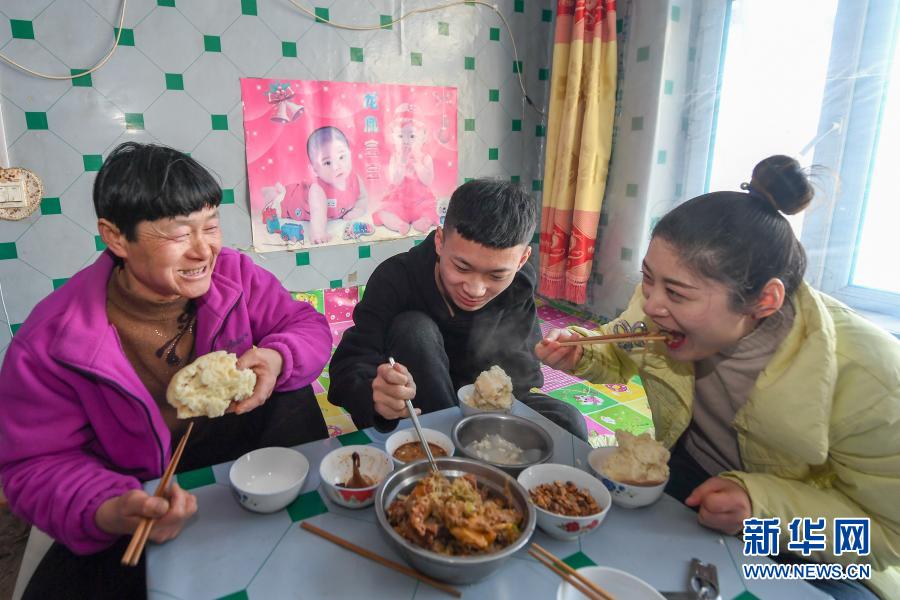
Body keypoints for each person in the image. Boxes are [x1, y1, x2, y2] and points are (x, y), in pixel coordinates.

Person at [537, 155, 900, 599]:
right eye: (648, 279)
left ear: (764, 301)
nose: (651, 304)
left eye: (676, 293)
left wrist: (759, 509)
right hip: (692, 478)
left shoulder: (872, 378)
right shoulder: (661, 305)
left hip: (804, 541)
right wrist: (583, 353)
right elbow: (621, 347)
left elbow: (887, 537)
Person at [0, 142, 332, 599]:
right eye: (178, 234)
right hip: (131, 484)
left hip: (238, 456)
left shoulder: (235, 275)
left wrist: (277, 358)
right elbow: (35, 466)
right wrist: (110, 508)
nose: (204, 250)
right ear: (116, 238)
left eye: (210, 226)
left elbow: (305, 326)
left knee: (292, 389)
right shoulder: (55, 338)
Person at [328, 179, 587, 440]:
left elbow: (520, 379)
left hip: (486, 408)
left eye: (496, 275)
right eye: (462, 268)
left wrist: (548, 355)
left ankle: (470, 444)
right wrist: (375, 394)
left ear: (521, 260)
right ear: (440, 241)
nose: (475, 290)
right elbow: (349, 367)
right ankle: (453, 444)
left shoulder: (518, 284)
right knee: (414, 328)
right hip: (421, 412)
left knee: (567, 421)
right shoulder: (396, 279)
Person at [263, 125, 369, 244]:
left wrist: (359, 209)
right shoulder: (318, 190)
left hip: (299, 193)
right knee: (274, 198)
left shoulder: (356, 180)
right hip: (290, 201)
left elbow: (362, 197)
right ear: (315, 170)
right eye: (327, 162)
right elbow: (318, 213)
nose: (337, 166)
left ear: (350, 154)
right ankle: (270, 192)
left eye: (341, 157)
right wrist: (318, 233)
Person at [373, 105, 439, 236]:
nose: (406, 141)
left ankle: (423, 221)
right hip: (399, 202)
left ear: (423, 137)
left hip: (420, 202)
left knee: (430, 211)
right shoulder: (395, 158)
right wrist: (402, 163)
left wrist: (418, 164)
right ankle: (398, 224)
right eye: (401, 136)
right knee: (383, 212)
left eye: (412, 136)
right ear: (394, 138)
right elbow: (395, 181)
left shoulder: (425, 158)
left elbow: (428, 181)